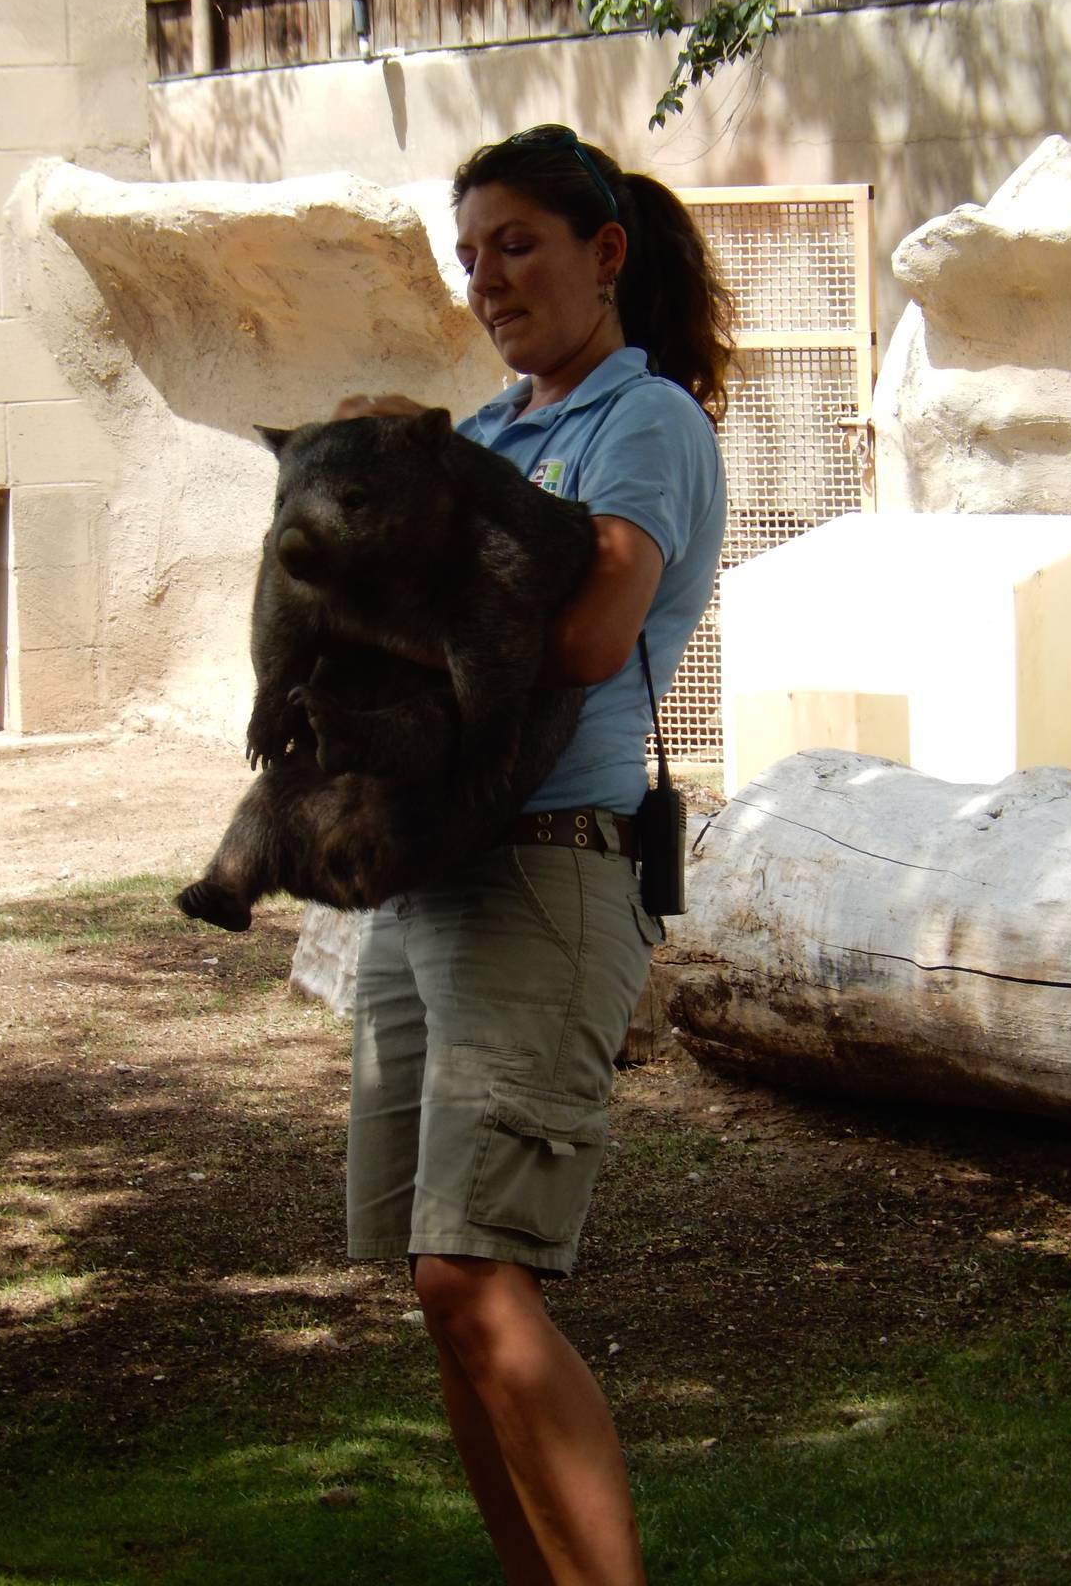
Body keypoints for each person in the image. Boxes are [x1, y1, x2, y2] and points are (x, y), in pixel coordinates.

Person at [333, 125, 733, 1586]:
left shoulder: (646, 424)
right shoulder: (490, 435)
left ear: (604, 251)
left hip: (549, 868)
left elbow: (584, 633)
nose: (489, 279)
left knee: (477, 1274)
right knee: (440, 1292)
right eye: (471, 253)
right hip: (429, 879)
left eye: (519, 243)